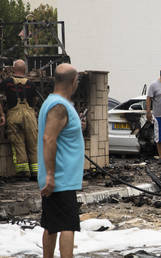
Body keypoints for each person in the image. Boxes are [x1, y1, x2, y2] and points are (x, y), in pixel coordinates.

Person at [38, 63, 85, 258]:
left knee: (51, 225)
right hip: (61, 178)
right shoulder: (59, 106)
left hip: (57, 177)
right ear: (74, 82)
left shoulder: (52, 102)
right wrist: (50, 175)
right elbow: (49, 138)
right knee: (67, 225)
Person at [0, 59, 38, 180]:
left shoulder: (7, 82)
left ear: (14, 69)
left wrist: (2, 113)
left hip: (13, 114)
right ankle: (36, 172)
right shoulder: (31, 84)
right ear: (25, 69)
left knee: (18, 142)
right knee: (33, 143)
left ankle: (23, 172)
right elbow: (35, 100)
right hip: (30, 115)